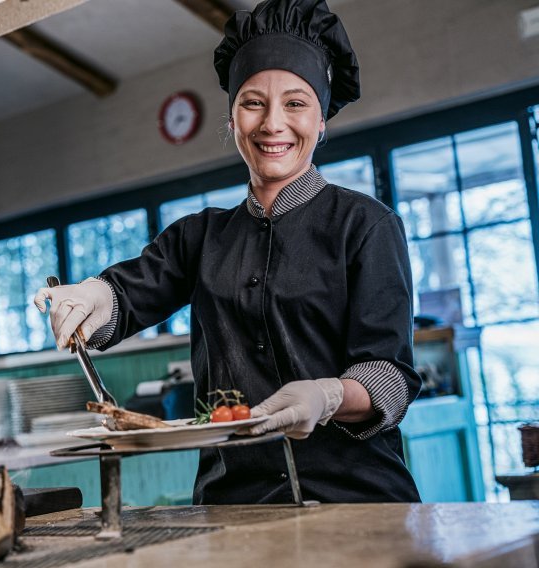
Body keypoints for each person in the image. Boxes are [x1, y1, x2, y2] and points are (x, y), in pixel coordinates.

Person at [34, 0, 421, 504]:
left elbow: (390, 375)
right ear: (233, 117)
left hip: (357, 497)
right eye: (253, 102)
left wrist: (326, 396)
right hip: (234, 502)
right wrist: (89, 298)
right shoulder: (200, 236)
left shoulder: (366, 226)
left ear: (322, 121)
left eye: (297, 103)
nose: (272, 124)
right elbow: (126, 296)